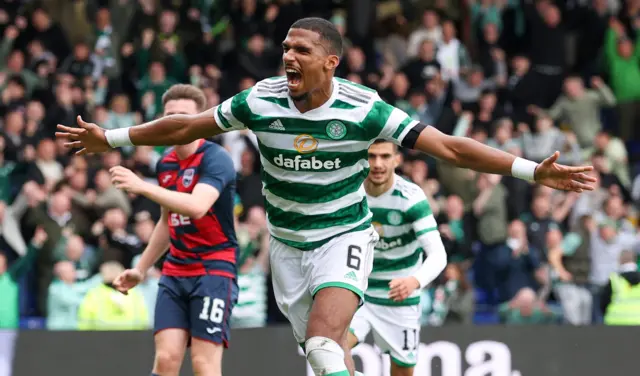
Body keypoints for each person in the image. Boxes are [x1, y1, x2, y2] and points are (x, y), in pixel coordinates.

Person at [57, 18, 595, 376]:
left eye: (301, 50)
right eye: (285, 47)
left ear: (330, 62)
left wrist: (529, 170)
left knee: (322, 344)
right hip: (287, 248)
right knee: (323, 359)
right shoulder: (259, 101)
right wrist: (112, 137)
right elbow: (185, 128)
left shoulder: (365, 109)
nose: (287, 56)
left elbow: (450, 148)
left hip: (343, 236)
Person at [108, 84, 239, 376]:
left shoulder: (216, 159)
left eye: (184, 115)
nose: (176, 122)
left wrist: (142, 186)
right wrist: (141, 269)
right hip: (175, 271)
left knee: (204, 365)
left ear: (200, 120)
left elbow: (196, 206)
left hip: (214, 271)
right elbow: (168, 220)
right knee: (166, 360)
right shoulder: (166, 161)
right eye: (170, 115)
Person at [348, 140, 447, 375]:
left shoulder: (411, 198)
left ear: (397, 160)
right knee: (332, 351)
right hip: (357, 291)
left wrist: (415, 281)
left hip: (399, 295)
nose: (378, 164)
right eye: (371, 156)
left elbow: (438, 255)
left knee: (403, 371)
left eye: (384, 156)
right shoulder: (350, 193)